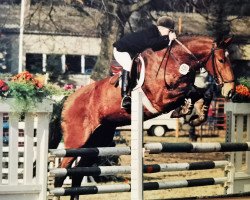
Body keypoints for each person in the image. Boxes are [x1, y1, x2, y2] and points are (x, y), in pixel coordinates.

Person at [113, 16, 177, 110]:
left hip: (131, 52)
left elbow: (156, 47)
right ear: (162, 28)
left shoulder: (156, 34)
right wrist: (168, 38)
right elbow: (151, 44)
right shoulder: (151, 32)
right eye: (170, 31)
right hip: (121, 50)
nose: (171, 33)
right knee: (128, 65)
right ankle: (125, 96)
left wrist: (168, 39)